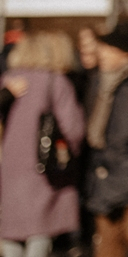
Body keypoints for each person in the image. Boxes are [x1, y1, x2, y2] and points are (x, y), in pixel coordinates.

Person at [0, 30, 86, 257]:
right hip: (43, 168)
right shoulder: (55, 82)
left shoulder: (7, 81)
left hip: (9, 167)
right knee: (41, 227)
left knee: (10, 228)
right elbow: (73, 128)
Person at [85, 20, 128, 257]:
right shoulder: (97, 81)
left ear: (124, 52)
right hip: (103, 173)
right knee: (107, 244)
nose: (101, 54)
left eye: (108, 49)